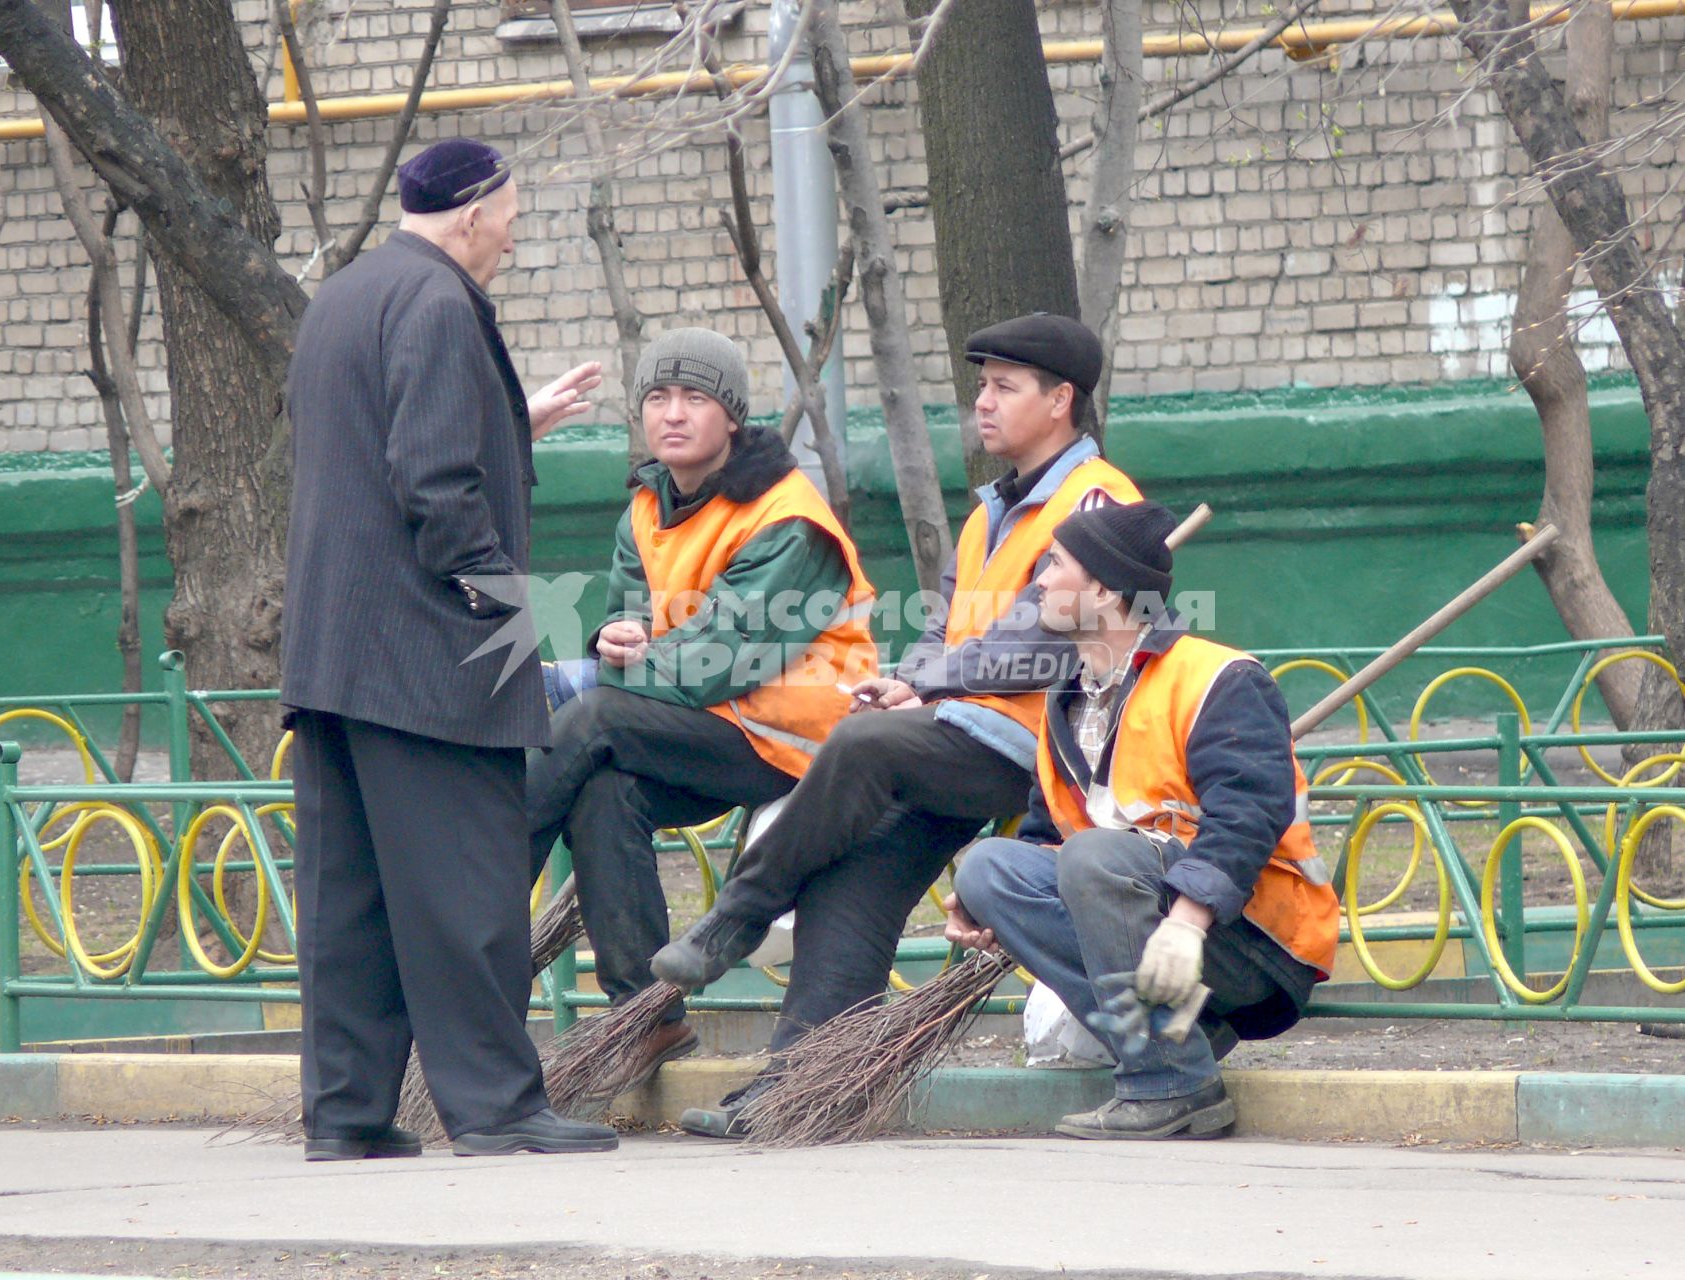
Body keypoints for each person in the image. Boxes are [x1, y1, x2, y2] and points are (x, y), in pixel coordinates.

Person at [650, 313, 1143, 1138]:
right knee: (853, 876)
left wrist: (928, 685)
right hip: (962, 737)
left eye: (1002, 387)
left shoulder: (1095, 501)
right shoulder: (992, 511)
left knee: (864, 744)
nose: (981, 403)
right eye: (980, 385)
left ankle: (739, 914)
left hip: (1046, 748)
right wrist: (911, 681)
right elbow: (944, 625)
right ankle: (801, 1093)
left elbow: (1038, 642)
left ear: (1060, 401)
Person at [281, 137, 618, 1159]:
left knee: (353, 904)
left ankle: (346, 1115)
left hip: (335, 653)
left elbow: (371, 446)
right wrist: (504, 608)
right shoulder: (437, 302)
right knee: (467, 885)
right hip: (426, 652)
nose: (513, 240)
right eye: (511, 220)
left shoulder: (347, 294)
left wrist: (514, 421)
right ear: (473, 213)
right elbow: (432, 483)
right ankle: (498, 1107)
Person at [526, 327, 879, 1091]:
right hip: (710, 729)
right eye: (657, 397)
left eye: (694, 398)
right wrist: (612, 638)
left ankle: (475, 922)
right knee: (602, 790)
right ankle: (644, 1019)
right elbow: (635, 629)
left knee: (591, 719)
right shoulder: (646, 508)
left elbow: (717, 659)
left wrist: (595, 674)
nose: (672, 413)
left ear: (732, 417)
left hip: (797, 741)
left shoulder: (788, 517)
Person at [946, 501, 1339, 1140]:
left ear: (1102, 588)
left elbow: (1248, 814)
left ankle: (1172, 1084)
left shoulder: (1217, 676)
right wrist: (988, 905)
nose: (1039, 580)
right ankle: (1182, 1038)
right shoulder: (1066, 697)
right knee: (991, 867)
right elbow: (1050, 837)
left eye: (1055, 564)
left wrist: (1188, 921)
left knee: (1095, 857)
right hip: (1140, 918)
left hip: (1253, 938)